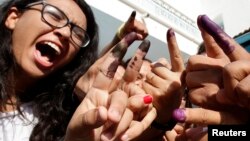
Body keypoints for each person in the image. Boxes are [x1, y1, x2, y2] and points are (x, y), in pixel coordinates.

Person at [0, 0, 151, 141]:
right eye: (54, 15)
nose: (65, 33)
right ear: (13, 17)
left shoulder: (57, 120)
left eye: (77, 34)